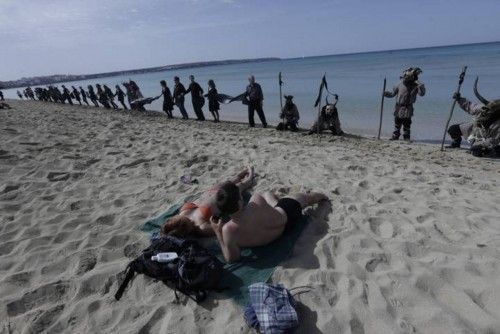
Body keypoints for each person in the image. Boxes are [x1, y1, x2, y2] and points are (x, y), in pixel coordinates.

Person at [211, 189, 328, 263]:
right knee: (304, 198)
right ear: (239, 202)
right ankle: (323, 196)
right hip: (287, 219)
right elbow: (277, 216)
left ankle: (274, 197)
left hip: (270, 236)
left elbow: (232, 259)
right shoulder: (255, 201)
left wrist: (218, 232)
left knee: (269, 198)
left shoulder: (228, 230)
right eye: (240, 196)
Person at [161, 167, 256, 238]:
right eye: (187, 222)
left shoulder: (181, 216)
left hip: (212, 191)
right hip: (224, 198)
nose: (188, 219)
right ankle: (250, 177)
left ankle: (242, 174)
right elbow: (222, 228)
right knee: (241, 185)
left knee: (231, 181)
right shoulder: (201, 227)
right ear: (187, 230)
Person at [447, 81, 500, 157]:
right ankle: (456, 142)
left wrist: (481, 144)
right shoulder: (484, 109)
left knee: (478, 150)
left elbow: (493, 140)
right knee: (452, 129)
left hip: (488, 139)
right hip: (474, 131)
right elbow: (469, 106)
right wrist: (459, 99)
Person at [384, 67, 425, 141]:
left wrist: (420, 85)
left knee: (407, 124)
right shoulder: (399, 84)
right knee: (397, 123)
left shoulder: (415, 85)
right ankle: (395, 136)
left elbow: (422, 94)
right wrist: (386, 94)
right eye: (404, 78)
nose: (405, 79)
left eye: (407, 78)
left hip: (408, 107)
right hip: (398, 107)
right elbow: (392, 94)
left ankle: (406, 137)